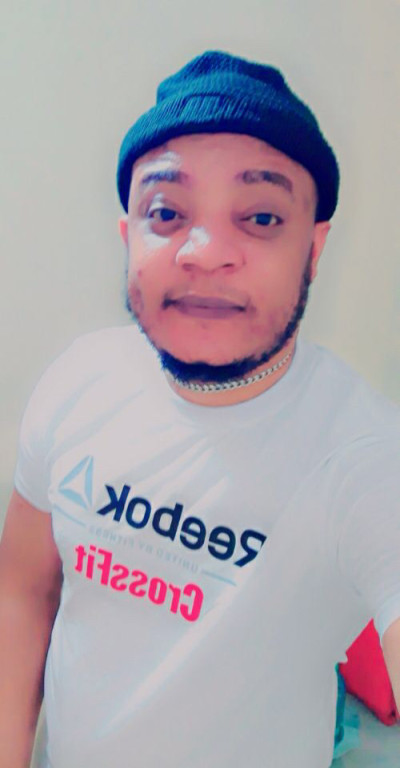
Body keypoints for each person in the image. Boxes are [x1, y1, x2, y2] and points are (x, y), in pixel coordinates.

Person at [0, 50, 399, 768]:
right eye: (166, 212)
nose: (206, 252)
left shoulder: (364, 460)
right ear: (128, 235)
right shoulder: (77, 382)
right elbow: (24, 591)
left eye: (261, 216)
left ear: (313, 250)